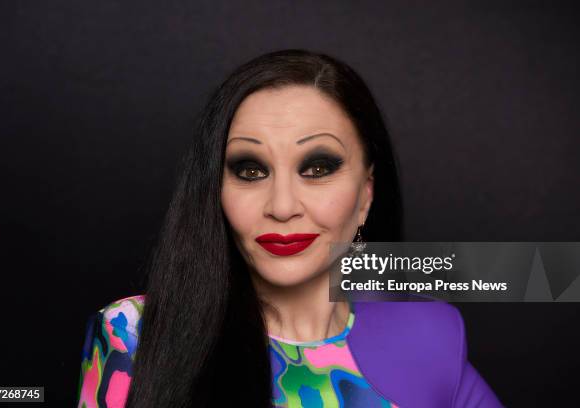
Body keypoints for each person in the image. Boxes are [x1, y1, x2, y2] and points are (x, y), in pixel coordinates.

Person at [77, 49, 502, 408]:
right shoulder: (133, 332)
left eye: (317, 168)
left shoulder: (428, 337)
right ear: (215, 190)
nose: (282, 207)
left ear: (366, 195)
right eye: (250, 170)